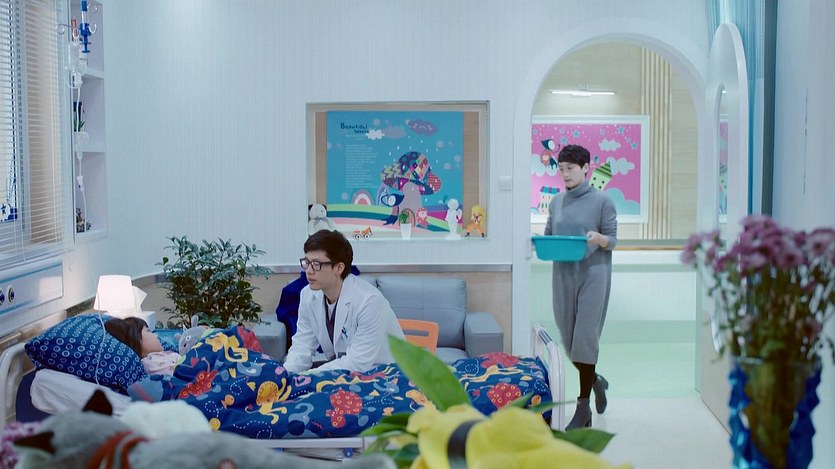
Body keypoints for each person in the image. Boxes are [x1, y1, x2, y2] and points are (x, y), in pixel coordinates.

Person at [544, 144, 617, 430]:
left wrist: (599, 238)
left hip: (593, 276)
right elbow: (549, 236)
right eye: (561, 169)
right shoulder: (556, 202)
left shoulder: (603, 201)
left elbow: (612, 240)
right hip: (563, 276)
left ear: (586, 168)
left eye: (571, 168)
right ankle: (596, 381)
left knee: (585, 339)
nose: (565, 174)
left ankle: (583, 406)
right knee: (570, 343)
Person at [283, 229, 405, 373]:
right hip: (344, 371)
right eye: (307, 262)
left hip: (385, 373)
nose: (308, 271)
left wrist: (308, 376)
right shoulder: (308, 295)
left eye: (316, 264)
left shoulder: (370, 302)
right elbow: (302, 346)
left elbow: (357, 363)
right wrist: (285, 375)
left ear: (339, 268)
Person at [105, 317, 182, 375]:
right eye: (148, 331)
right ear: (136, 339)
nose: (156, 335)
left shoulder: (164, 353)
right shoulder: (150, 363)